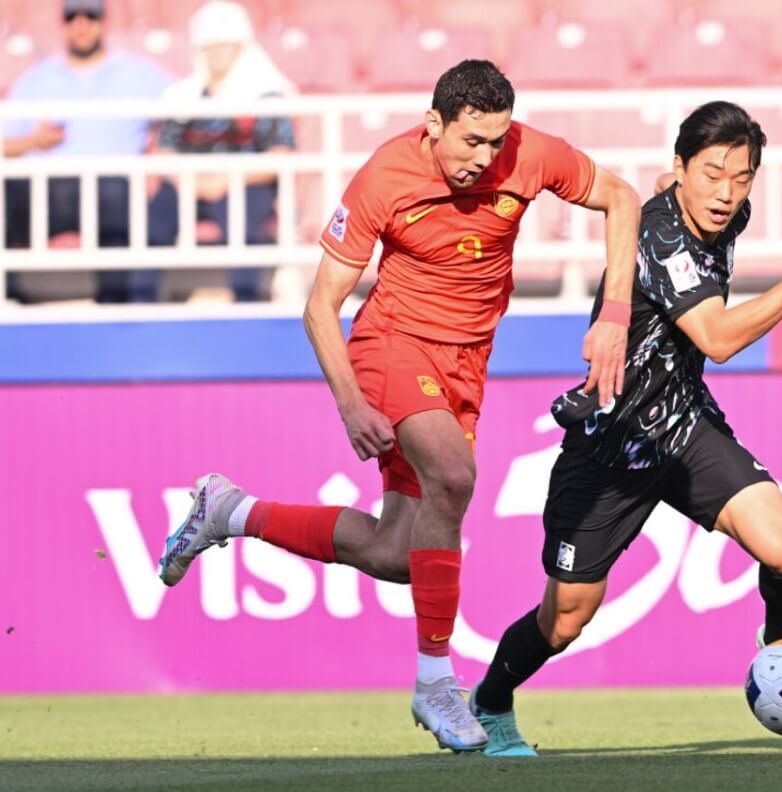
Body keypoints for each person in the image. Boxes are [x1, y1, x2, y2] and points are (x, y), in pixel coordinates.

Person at [158, 59, 639, 751]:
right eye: (471, 141)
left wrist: (615, 315)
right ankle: (436, 683)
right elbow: (320, 307)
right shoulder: (384, 177)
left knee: (396, 553)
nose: (485, 158)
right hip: (393, 345)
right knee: (453, 475)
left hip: (467, 365)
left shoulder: (527, 153)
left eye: (495, 141)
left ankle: (230, 510)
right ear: (433, 123)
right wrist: (351, 405)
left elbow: (620, 197)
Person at [462, 101, 782, 757]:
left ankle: (781, 641)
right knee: (564, 619)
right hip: (610, 446)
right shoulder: (661, 236)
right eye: (711, 175)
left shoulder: (720, 211)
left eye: (740, 178)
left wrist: (677, 187)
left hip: (683, 429)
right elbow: (718, 339)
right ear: (680, 167)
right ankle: (490, 700)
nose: (725, 194)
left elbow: (669, 193)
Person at [2, 0, 172, 303]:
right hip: (46, 190)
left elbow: (189, 108)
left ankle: (115, 303)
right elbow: (5, 141)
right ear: (63, 24)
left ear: (103, 22)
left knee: (117, 194)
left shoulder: (140, 74)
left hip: (112, 188)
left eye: (90, 16)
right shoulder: (37, 78)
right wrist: (33, 142)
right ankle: (10, 297)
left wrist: (163, 150)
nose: (81, 25)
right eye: (72, 17)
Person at [141, 0, 297, 302]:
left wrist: (225, 180)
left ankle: (247, 302)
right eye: (210, 48)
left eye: (225, 47)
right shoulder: (184, 95)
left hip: (244, 183)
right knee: (152, 221)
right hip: (189, 183)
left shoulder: (266, 95)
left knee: (244, 225)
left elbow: (279, 154)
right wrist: (191, 181)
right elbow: (165, 150)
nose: (217, 55)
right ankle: (140, 303)